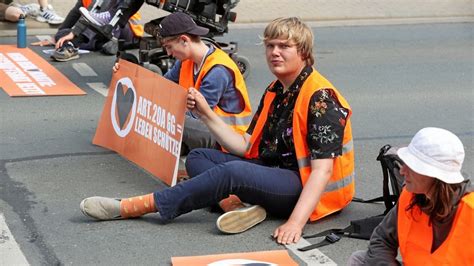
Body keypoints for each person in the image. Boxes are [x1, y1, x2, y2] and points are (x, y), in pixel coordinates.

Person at [80, 17, 355, 242]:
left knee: (231, 172)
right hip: (274, 170)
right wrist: (206, 114)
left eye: (284, 46)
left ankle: (139, 206)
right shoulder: (276, 89)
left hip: (304, 187)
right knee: (200, 157)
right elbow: (246, 146)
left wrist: (296, 222)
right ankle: (235, 205)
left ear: (304, 52)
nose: (274, 53)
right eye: (270, 46)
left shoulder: (320, 97)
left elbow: (323, 171)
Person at [348, 127, 473, 265]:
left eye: (412, 166)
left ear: (435, 175)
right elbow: (382, 239)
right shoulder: (410, 196)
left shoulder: (470, 211)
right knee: (359, 259)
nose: (402, 171)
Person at [52, 0, 143, 62]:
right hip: (103, 28)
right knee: (61, 35)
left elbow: (95, 16)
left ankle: (75, 44)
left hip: (124, 27)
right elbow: (75, 13)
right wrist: (57, 36)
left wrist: (74, 33)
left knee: (90, 27)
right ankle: (102, 44)